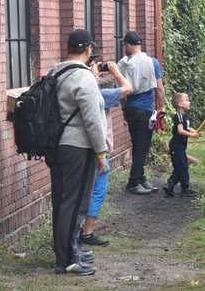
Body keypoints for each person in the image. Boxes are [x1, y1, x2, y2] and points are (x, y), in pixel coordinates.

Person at [49, 29, 109, 276]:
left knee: (62, 200)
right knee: (75, 203)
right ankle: (68, 259)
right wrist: (101, 152)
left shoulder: (56, 72)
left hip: (57, 145)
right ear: (88, 49)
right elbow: (92, 119)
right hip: (78, 146)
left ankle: (65, 251)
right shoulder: (83, 78)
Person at [80, 61, 132, 246]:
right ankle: (87, 232)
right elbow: (128, 88)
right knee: (96, 191)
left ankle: (77, 231)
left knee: (81, 191)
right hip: (99, 150)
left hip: (81, 147)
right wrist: (115, 71)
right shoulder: (101, 95)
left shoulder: (78, 91)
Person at [118, 31, 165, 195]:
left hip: (131, 108)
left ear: (130, 45)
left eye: (125, 45)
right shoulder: (152, 62)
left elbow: (121, 91)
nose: (124, 48)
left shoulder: (122, 64)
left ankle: (141, 178)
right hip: (145, 109)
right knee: (142, 147)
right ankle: (133, 182)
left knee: (138, 144)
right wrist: (161, 109)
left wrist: (124, 109)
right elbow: (159, 88)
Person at [163, 93, 201, 197]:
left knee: (181, 166)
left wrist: (196, 132)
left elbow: (188, 128)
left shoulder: (185, 116)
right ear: (180, 104)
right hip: (176, 146)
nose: (189, 102)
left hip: (180, 147)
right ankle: (183, 187)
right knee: (182, 167)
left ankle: (170, 186)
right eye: (187, 100)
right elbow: (180, 131)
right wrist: (193, 135)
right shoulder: (178, 116)